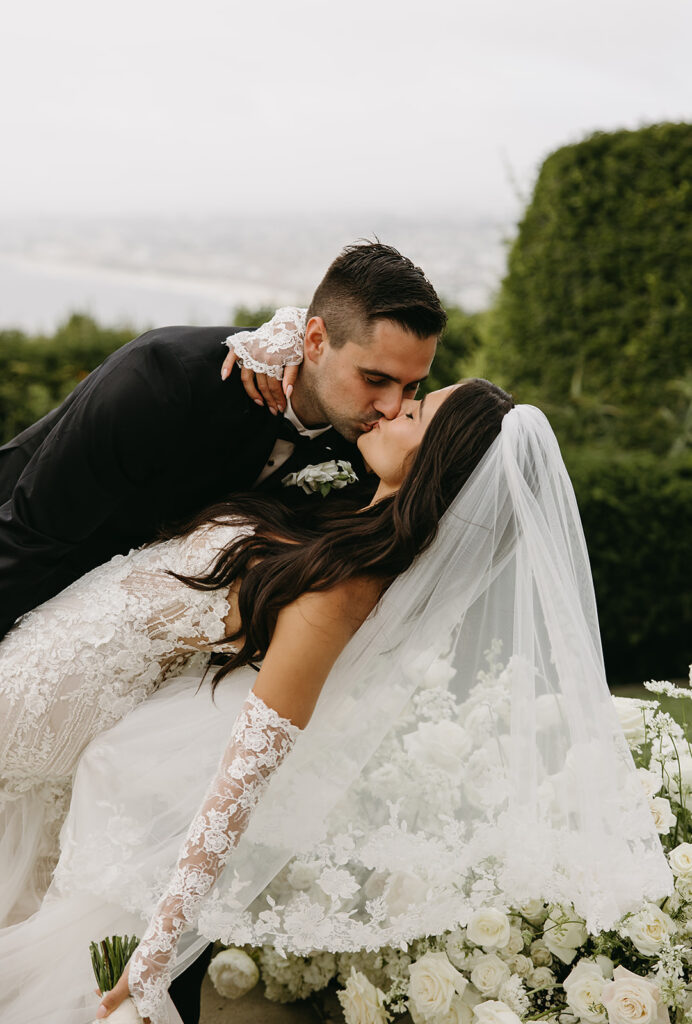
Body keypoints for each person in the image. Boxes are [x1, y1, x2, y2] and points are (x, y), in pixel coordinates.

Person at [0, 381, 673, 1024]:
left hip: (104, 780)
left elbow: (247, 769)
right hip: (68, 708)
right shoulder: (347, 522)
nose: (394, 408)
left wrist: (157, 950)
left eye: (414, 414)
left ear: (437, 471)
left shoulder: (345, 586)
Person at [0, 241, 446, 641]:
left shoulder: (372, 450)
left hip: (127, 640)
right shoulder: (165, 378)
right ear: (313, 341)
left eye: (411, 387)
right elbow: (30, 536)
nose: (392, 406)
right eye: (375, 378)